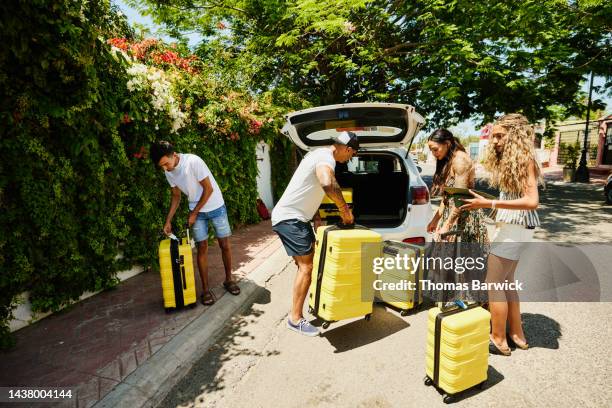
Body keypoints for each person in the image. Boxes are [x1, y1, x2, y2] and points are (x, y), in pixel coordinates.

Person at [460, 113, 543, 356]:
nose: (494, 140)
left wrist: (489, 204)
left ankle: (498, 338)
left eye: (499, 135)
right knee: (506, 282)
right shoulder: (516, 161)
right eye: (493, 135)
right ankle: (517, 335)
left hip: (515, 230)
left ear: (514, 135)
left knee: (492, 283)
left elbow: (531, 201)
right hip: (517, 229)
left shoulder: (525, 160)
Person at [271, 131, 358, 337]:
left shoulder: (316, 154)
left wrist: (316, 217)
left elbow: (311, 188)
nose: (349, 159)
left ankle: (308, 304)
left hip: (293, 218)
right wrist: (345, 212)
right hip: (291, 219)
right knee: (306, 266)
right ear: (347, 149)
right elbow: (327, 183)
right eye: (351, 155)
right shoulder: (325, 158)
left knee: (304, 266)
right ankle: (295, 319)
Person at [150, 141, 240, 306]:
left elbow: (209, 189)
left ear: (174, 155)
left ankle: (229, 280)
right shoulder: (168, 172)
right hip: (196, 210)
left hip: (215, 206)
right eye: (161, 166)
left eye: (166, 163)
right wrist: (168, 220)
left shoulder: (193, 161)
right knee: (202, 248)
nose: (165, 168)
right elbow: (176, 196)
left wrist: (194, 213)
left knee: (224, 244)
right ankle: (205, 290)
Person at [425, 129, 488, 304]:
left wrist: (448, 225)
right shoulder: (448, 160)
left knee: (468, 267)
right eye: (430, 149)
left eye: (435, 149)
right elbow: (448, 196)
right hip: (451, 217)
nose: (433, 153)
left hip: (464, 220)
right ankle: (456, 306)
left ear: (447, 144)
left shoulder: (461, 160)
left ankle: (481, 310)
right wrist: (436, 220)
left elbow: (460, 199)